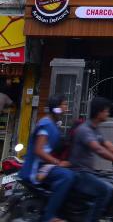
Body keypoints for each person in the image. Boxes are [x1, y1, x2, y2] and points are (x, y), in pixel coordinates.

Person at [69, 96, 113, 222]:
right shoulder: (85, 130)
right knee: (105, 191)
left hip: (89, 172)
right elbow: (99, 150)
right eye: (106, 110)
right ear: (99, 112)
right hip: (79, 173)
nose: (108, 113)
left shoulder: (94, 129)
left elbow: (109, 146)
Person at [19, 94, 75, 222]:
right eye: (64, 105)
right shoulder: (46, 124)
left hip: (44, 165)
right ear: (55, 108)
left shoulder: (54, 124)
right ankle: (49, 216)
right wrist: (58, 162)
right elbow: (38, 150)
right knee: (67, 176)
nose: (66, 107)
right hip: (35, 168)